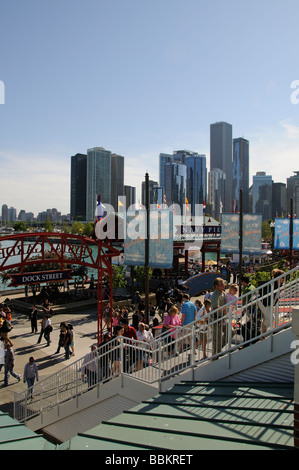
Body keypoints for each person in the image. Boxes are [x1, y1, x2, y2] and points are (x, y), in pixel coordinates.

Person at [210, 277, 227, 357]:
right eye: (221, 285)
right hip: (216, 318)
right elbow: (215, 308)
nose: (223, 286)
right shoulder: (215, 295)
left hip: (222, 318)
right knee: (216, 338)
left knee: (231, 331)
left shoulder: (223, 293)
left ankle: (219, 349)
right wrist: (225, 307)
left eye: (223, 284)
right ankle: (215, 355)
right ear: (216, 286)